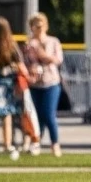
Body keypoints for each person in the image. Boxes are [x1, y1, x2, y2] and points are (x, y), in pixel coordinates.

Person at [0, 18, 33, 160]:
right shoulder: (12, 47)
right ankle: (7, 144)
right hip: (8, 86)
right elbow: (21, 66)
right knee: (8, 115)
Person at [23, 13, 65, 158]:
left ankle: (55, 144)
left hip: (51, 82)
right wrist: (30, 69)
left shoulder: (53, 41)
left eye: (41, 25)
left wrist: (41, 53)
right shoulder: (29, 44)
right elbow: (25, 63)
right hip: (35, 84)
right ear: (31, 27)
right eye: (36, 25)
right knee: (36, 116)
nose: (39, 28)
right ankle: (36, 143)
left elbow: (57, 60)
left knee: (48, 114)